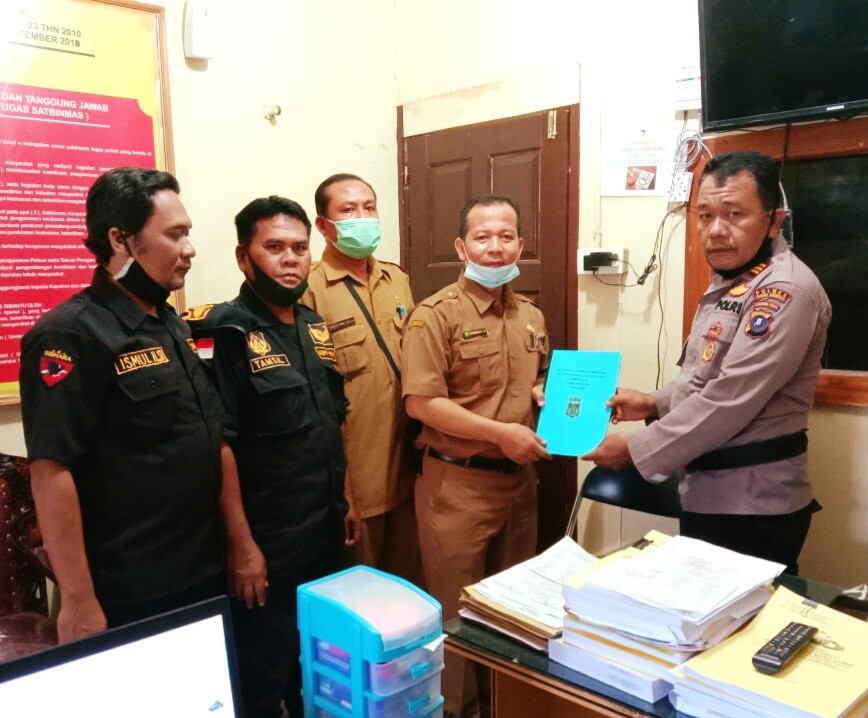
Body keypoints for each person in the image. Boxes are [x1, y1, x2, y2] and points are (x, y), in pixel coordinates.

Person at [584, 150, 831, 575]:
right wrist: (654, 402)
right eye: (705, 216)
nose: (716, 230)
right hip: (709, 491)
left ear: (775, 220)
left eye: (735, 214)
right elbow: (703, 376)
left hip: (751, 504)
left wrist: (637, 449)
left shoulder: (784, 291)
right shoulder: (734, 281)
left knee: (742, 616)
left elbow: (729, 398)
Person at [19, 167, 224, 642]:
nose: (189, 249)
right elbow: (51, 472)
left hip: (199, 571)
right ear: (120, 240)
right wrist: (77, 599)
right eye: (175, 234)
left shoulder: (169, 324)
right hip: (132, 590)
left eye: (188, 233)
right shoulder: (69, 334)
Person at [184, 196, 360, 718]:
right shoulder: (223, 331)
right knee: (263, 677)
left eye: (300, 248)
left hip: (323, 534)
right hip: (267, 544)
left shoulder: (313, 325)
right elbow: (220, 444)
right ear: (245, 258)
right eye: (275, 247)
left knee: (320, 674)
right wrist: (242, 547)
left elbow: (333, 420)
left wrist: (348, 499)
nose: (290, 259)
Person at [400, 194, 550, 717]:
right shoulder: (434, 315)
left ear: (520, 245)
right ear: (461, 247)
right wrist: (499, 433)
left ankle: (506, 707)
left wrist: (543, 395)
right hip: (457, 488)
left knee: (514, 611)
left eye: (505, 236)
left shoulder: (530, 315)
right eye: (482, 237)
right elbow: (422, 403)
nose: (495, 247)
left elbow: (535, 379)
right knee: (458, 614)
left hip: (519, 486)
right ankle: (456, 712)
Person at [303, 173, 422, 584]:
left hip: (408, 470)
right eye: (349, 210)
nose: (362, 217)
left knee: (409, 588)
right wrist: (343, 491)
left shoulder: (397, 279)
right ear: (324, 225)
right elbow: (315, 396)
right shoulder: (309, 288)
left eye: (368, 207)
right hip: (357, 481)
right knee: (363, 592)